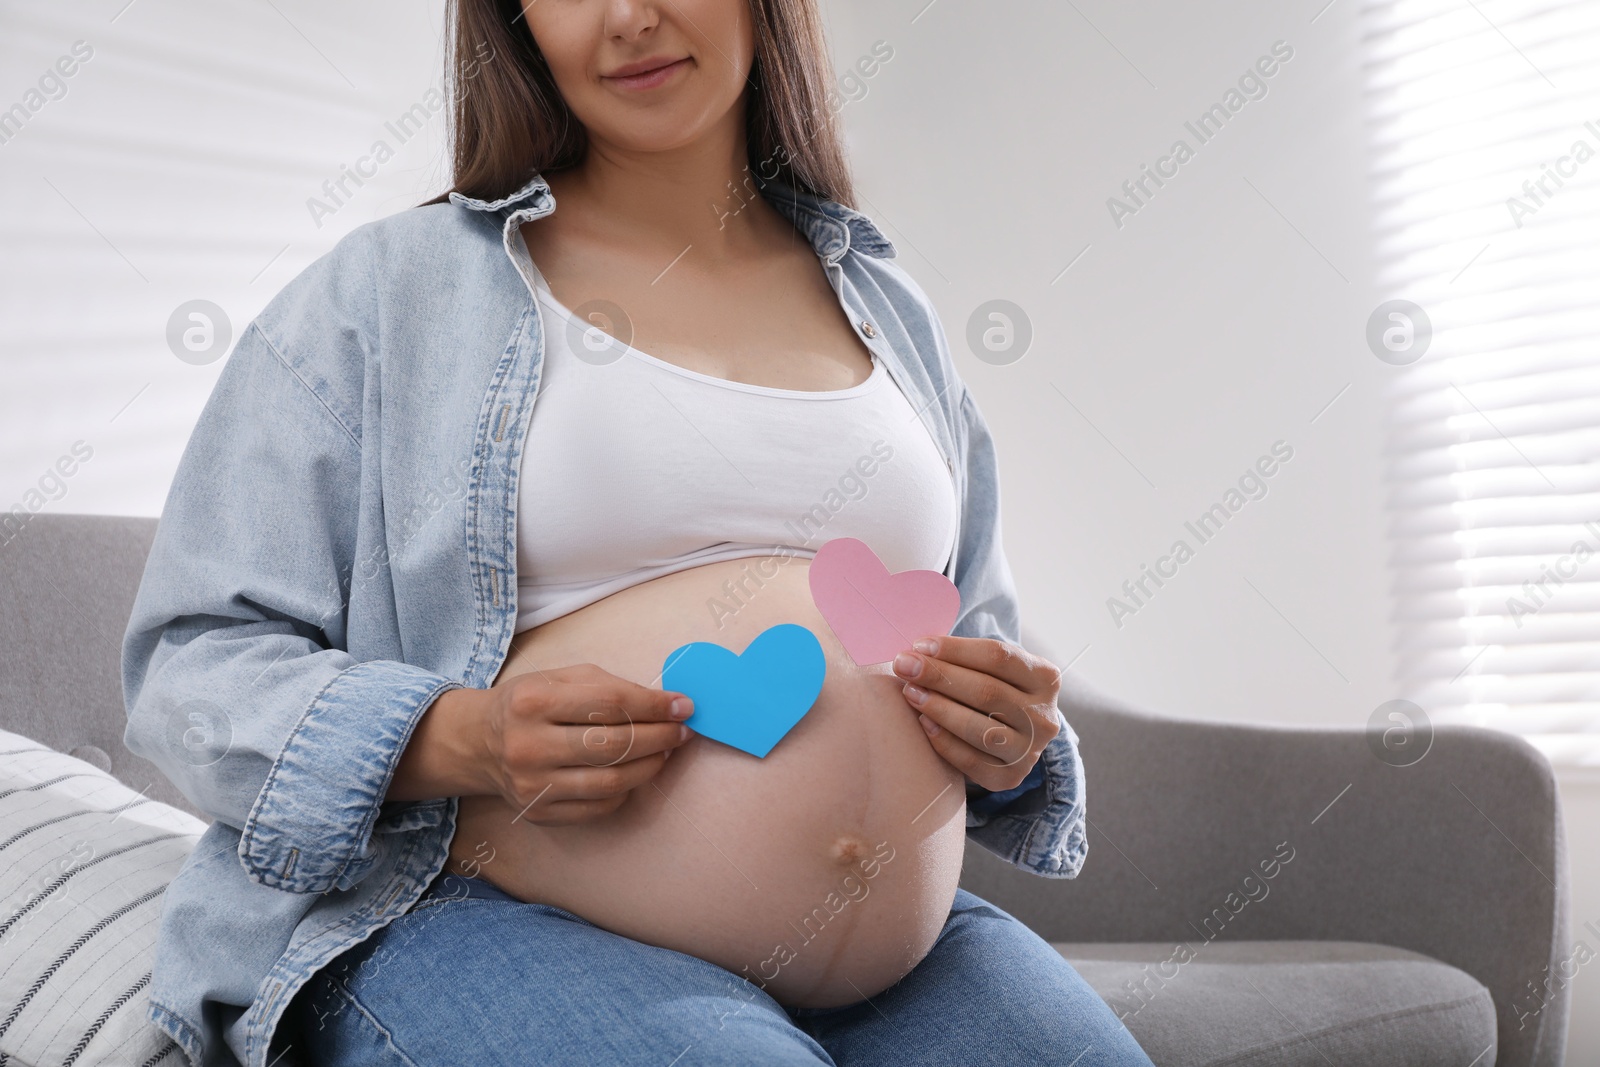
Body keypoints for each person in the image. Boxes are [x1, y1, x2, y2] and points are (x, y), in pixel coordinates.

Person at [121, 1, 1155, 1064]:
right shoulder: (389, 292)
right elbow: (191, 666)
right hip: (481, 914)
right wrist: (467, 736)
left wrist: (1008, 734)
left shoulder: (889, 307)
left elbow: (978, 635)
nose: (628, 18)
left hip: (908, 961)